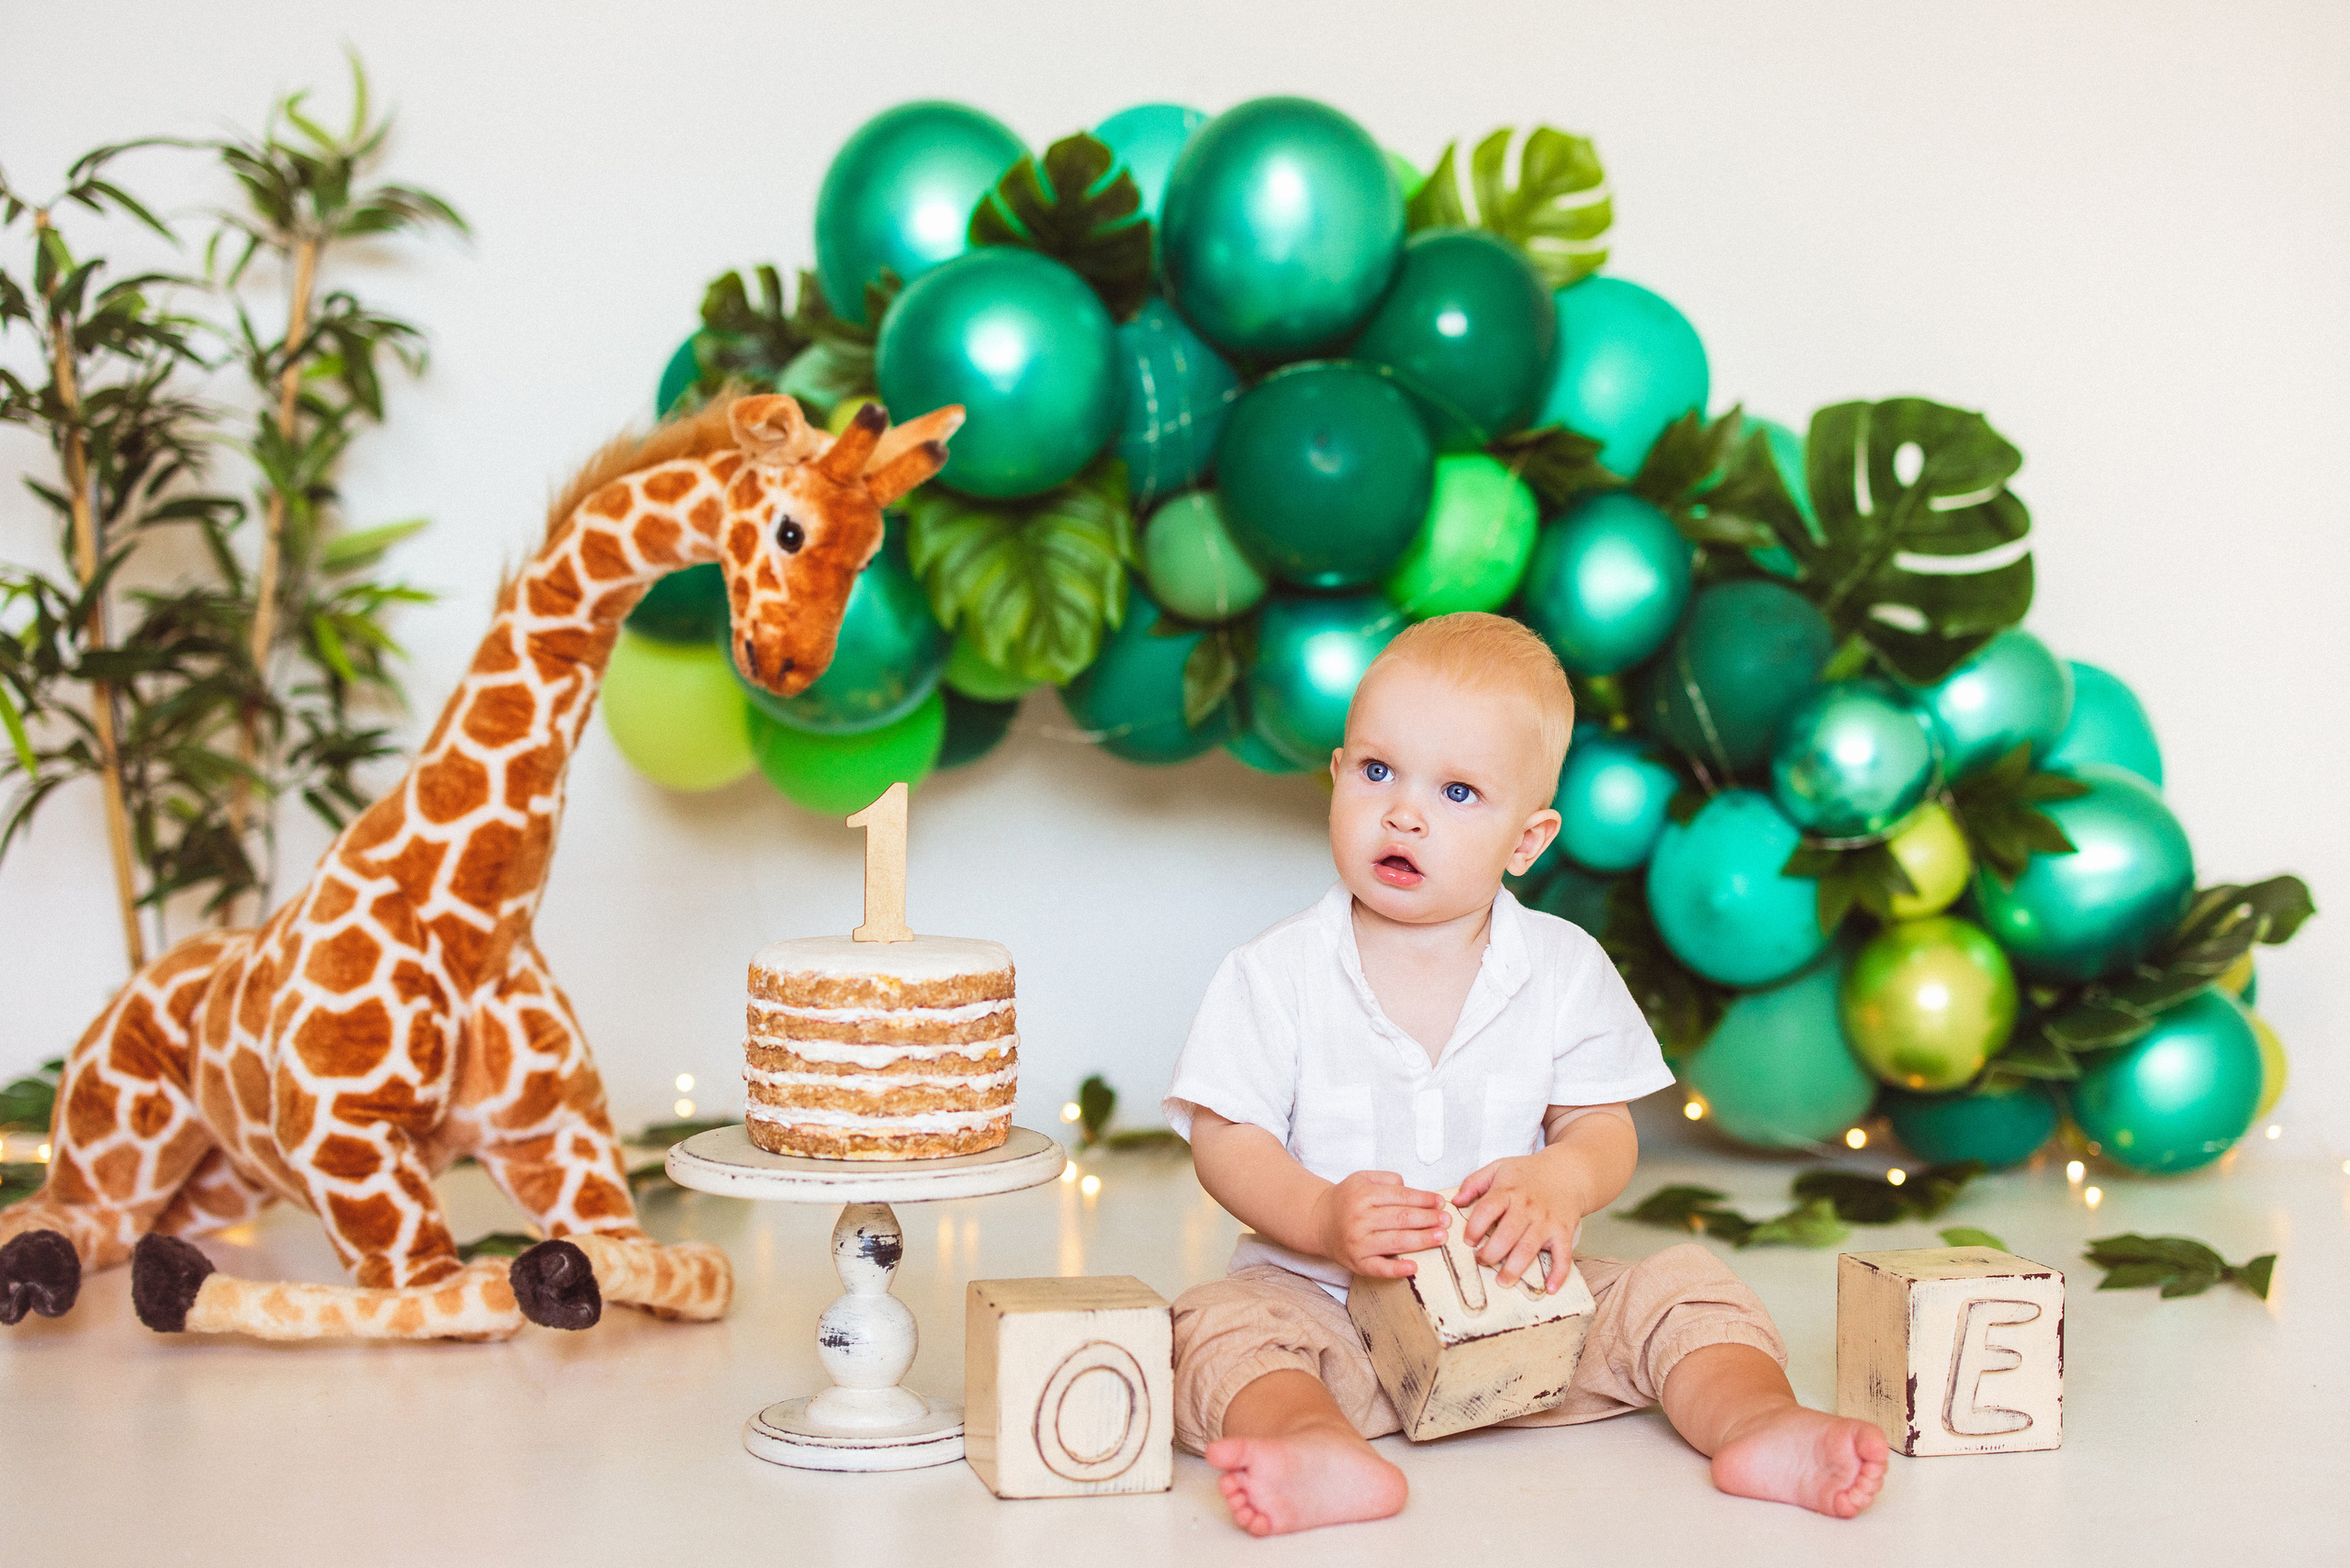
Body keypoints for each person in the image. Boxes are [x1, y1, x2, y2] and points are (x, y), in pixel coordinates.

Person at [1163, 611, 1887, 1537]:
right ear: (1337, 777)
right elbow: (1228, 1138)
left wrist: (1558, 1178)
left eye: (1459, 791)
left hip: (1526, 1310)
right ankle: (1313, 1443)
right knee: (1213, 1331)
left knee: (1681, 1293)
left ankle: (1759, 1423)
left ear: (1526, 840)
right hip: (1324, 1311)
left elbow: (1601, 1129)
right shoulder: (1274, 971)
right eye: (1378, 771)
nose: (1405, 811)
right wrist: (1319, 1216)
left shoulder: (1561, 965)